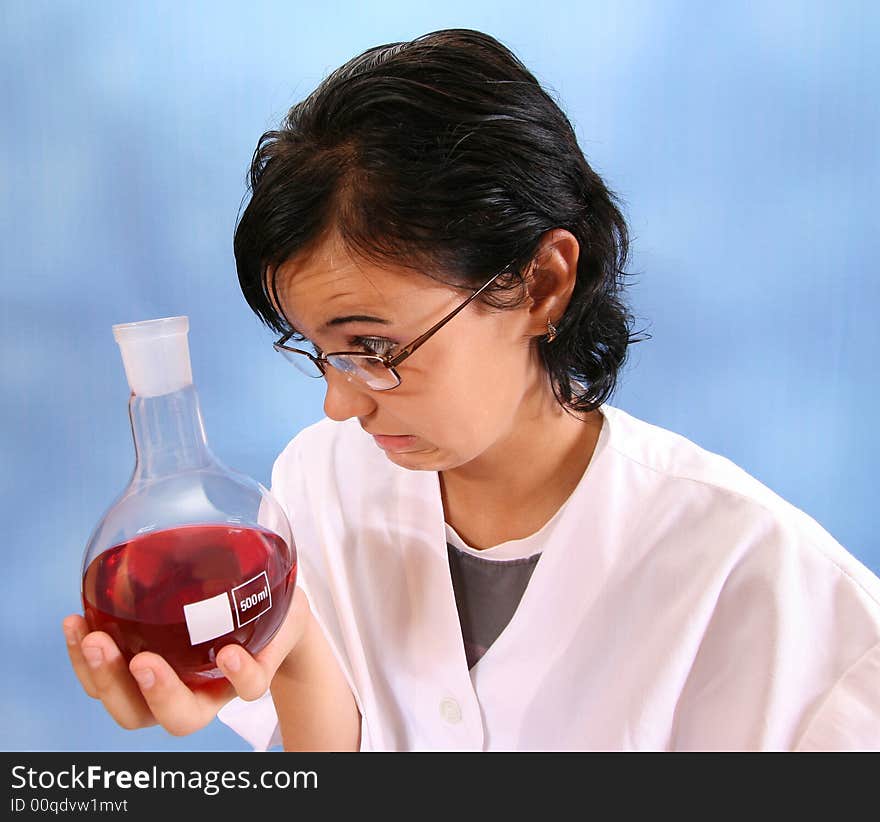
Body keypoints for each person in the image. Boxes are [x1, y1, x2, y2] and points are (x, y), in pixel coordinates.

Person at [63, 28, 880, 751]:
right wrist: (303, 660)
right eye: (319, 352)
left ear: (542, 283)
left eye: (375, 347)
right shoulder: (317, 486)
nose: (339, 405)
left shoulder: (775, 593)